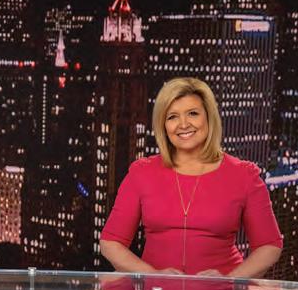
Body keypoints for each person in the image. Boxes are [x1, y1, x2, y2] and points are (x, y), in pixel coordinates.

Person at [99, 77, 283, 278]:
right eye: (172, 117)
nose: (183, 124)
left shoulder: (244, 175)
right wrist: (152, 276)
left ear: (208, 117)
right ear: (163, 125)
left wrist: (229, 281)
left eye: (193, 113)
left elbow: (269, 245)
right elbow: (111, 242)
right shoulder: (141, 173)